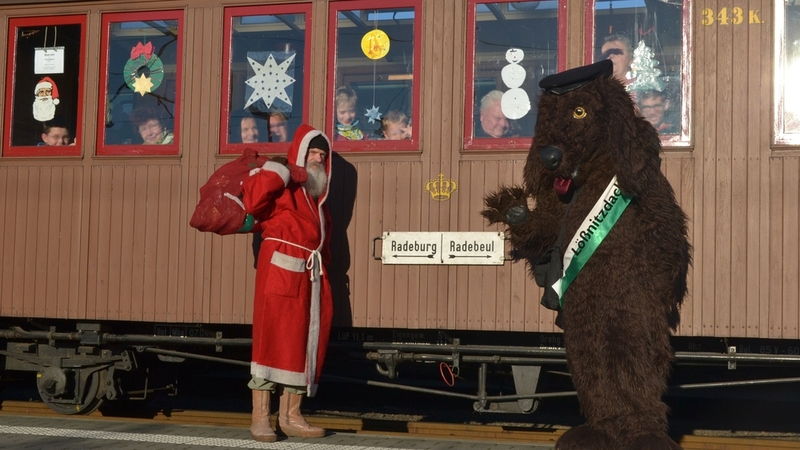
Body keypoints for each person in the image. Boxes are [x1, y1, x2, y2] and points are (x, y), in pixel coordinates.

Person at [240, 124, 333, 442]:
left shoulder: (318, 202)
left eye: (323, 155)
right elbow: (253, 202)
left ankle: (291, 416)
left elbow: (324, 242)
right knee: (271, 339)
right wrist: (281, 170)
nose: (318, 159)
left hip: (308, 273)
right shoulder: (282, 183)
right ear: (300, 154)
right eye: (313, 152)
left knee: (300, 342)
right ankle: (260, 418)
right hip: (280, 266)